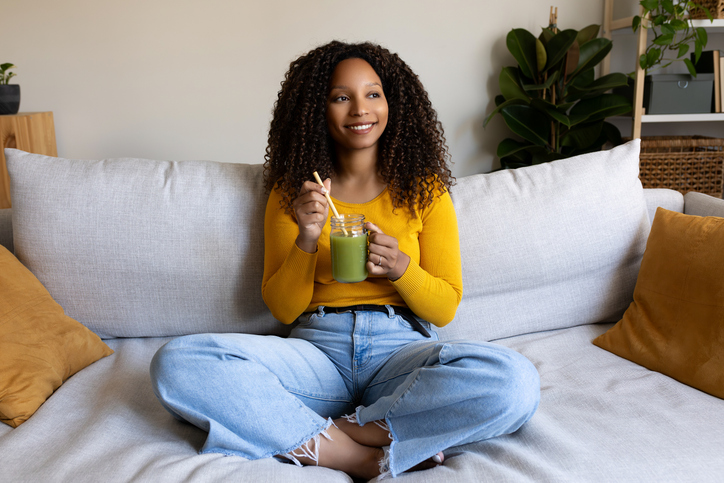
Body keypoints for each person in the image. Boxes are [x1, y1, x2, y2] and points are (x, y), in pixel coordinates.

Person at [150, 40, 540, 480]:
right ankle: (357, 457)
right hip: (317, 352)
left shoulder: (425, 190)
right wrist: (307, 238)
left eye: (373, 94)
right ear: (318, 110)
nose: (360, 109)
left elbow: (445, 308)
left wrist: (401, 269)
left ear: (393, 103)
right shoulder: (293, 195)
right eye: (341, 97)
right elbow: (283, 308)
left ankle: (346, 430)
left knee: (515, 381)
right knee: (178, 362)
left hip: (401, 350)